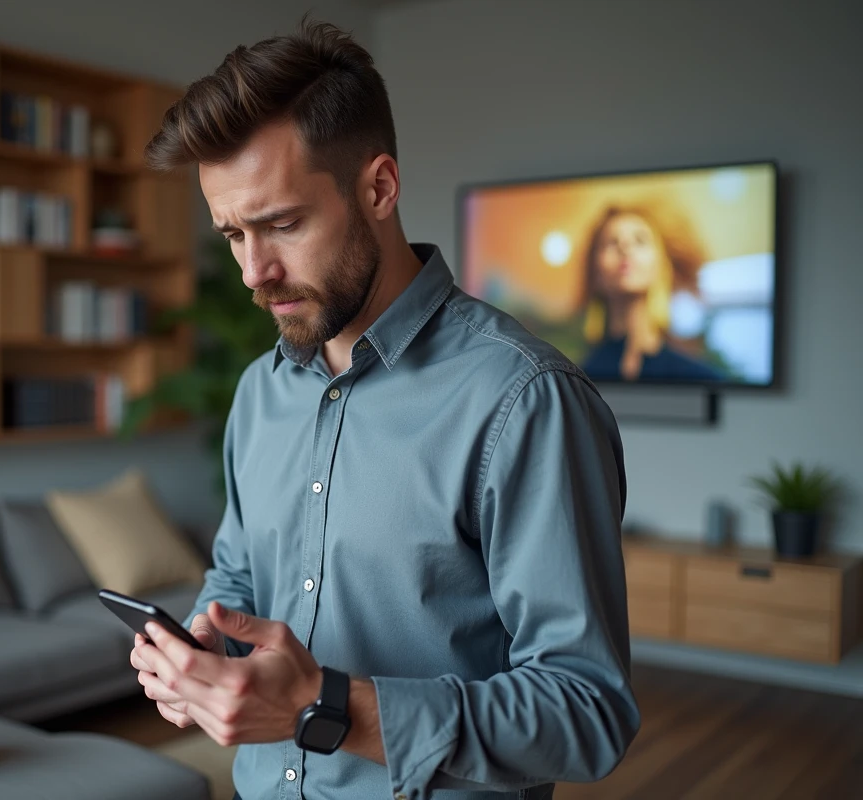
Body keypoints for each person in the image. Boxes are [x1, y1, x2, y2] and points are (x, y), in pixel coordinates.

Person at [129, 18, 640, 800]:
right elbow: (238, 573)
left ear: (378, 188)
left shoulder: (525, 401)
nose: (254, 272)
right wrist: (200, 650)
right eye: (233, 234)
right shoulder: (260, 391)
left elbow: (587, 711)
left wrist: (327, 707)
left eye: (282, 224)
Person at [578, 203, 726, 383]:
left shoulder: (701, 378)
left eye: (640, 240)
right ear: (595, 271)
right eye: (611, 242)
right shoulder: (578, 381)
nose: (625, 247)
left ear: (663, 266)